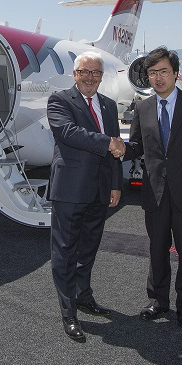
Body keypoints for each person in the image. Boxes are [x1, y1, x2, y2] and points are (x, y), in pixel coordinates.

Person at [124, 47, 182, 329]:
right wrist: (118, 148)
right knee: (157, 250)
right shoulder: (142, 108)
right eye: (153, 73)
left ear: (176, 74)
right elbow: (138, 146)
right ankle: (158, 301)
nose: (158, 78)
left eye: (163, 71)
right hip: (155, 193)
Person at [47, 51, 124, 342]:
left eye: (95, 73)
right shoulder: (60, 100)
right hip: (70, 189)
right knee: (65, 251)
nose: (90, 77)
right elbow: (68, 132)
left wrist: (116, 184)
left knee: (89, 246)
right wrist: (108, 143)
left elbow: (114, 154)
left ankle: (83, 295)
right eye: (84, 72)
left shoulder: (108, 105)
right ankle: (68, 312)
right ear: (75, 74)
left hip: (100, 190)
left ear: (101, 77)